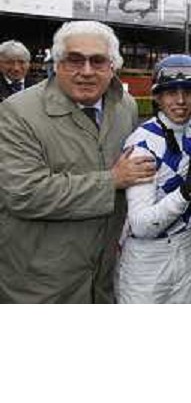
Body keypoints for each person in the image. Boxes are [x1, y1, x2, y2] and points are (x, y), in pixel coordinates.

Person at [0, 21, 156, 303]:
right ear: (57, 63)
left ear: (113, 66)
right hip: (40, 284)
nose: (86, 71)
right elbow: (23, 193)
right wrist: (112, 181)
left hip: (104, 277)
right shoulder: (16, 113)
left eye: (97, 61)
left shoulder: (126, 106)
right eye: (74, 60)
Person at [116, 55, 191, 304]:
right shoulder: (142, 145)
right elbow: (140, 225)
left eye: (189, 92)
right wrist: (185, 194)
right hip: (145, 260)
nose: (181, 101)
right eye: (171, 92)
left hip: (184, 247)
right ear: (157, 97)